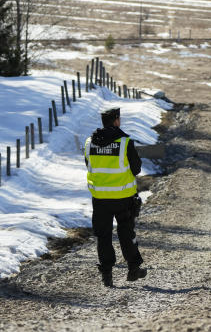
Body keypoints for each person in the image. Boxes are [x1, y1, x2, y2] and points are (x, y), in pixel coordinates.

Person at [84, 107, 147, 287]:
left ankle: (107, 275)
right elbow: (136, 169)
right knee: (126, 232)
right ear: (116, 121)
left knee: (102, 236)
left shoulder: (90, 142)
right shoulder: (125, 142)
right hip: (123, 197)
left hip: (100, 197)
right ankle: (134, 268)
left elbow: (88, 165)